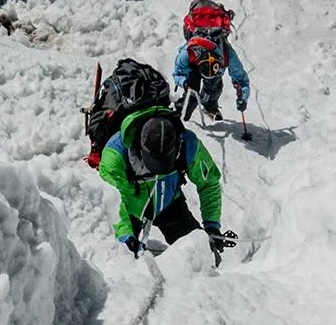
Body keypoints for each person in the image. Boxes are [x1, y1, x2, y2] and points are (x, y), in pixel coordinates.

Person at [98, 101, 235, 264]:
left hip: (168, 202)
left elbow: (208, 183)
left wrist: (212, 225)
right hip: (130, 209)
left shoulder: (188, 144)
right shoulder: (115, 155)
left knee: (201, 256)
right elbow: (113, 204)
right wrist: (125, 237)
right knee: (124, 260)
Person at [173, 31, 251, 136]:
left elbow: (241, 80)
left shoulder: (227, 53)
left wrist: (243, 97)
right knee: (192, 93)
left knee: (214, 87)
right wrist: (184, 83)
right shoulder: (186, 53)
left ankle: (210, 106)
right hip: (194, 68)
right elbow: (177, 73)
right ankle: (181, 113)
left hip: (208, 69)